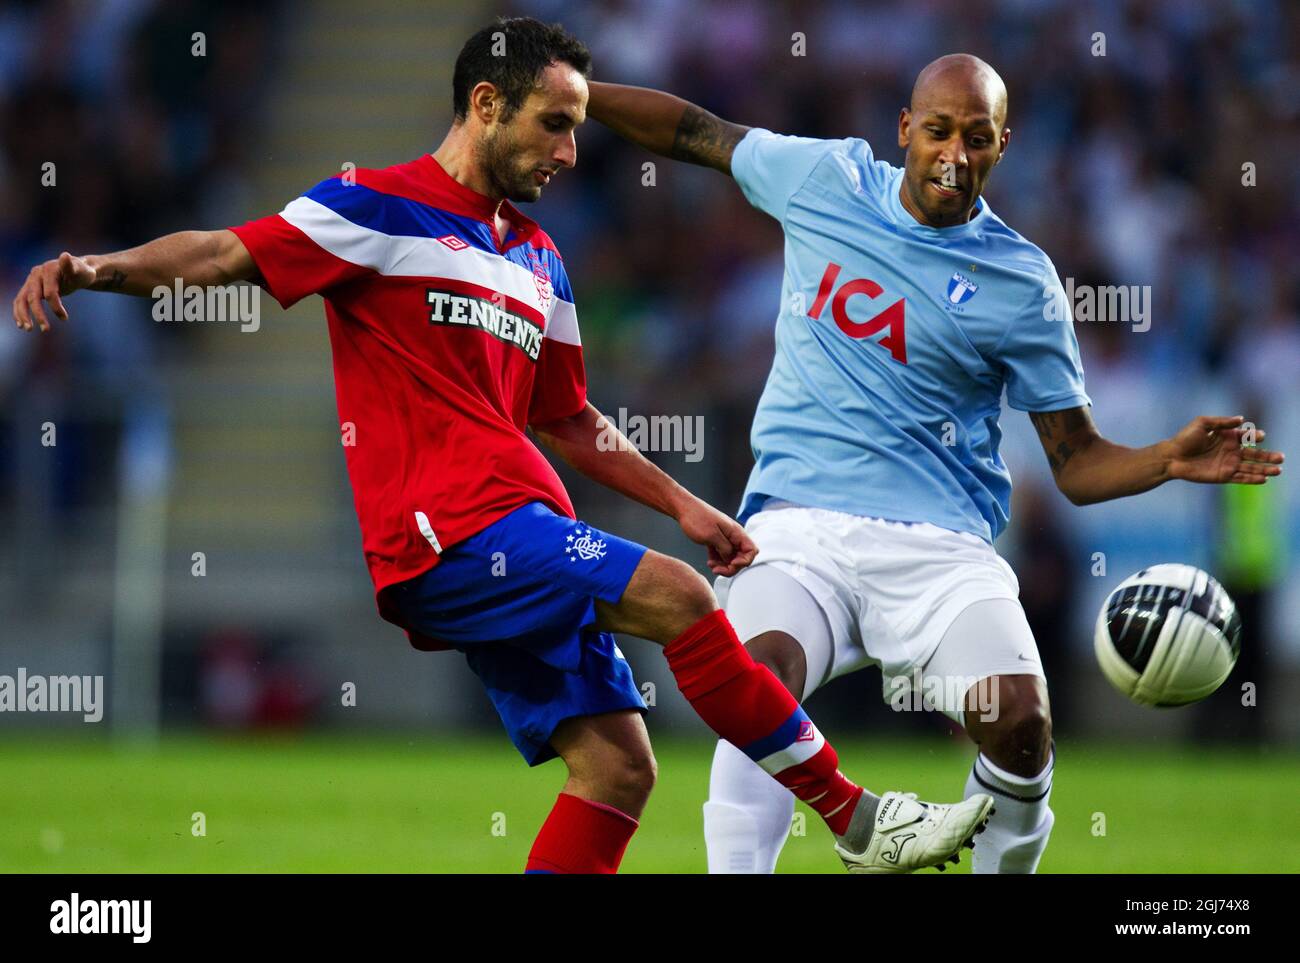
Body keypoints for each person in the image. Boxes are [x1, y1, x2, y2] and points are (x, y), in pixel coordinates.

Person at [11, 19, 994, 874]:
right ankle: (855, 815)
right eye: (554, 123)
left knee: (618, 768)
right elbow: (224, 252)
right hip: (446, 530)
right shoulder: (373, 209)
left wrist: (685, 506)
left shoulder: (536, 259)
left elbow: (570, 418)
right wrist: (98, 266)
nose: (572, 150)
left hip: (524, 526)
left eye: (577, 126)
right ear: (486, 103)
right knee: (685, 601)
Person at [586, 52, 1285, 874]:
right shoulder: (826, 180)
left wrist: (1165, 459)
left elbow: (1076, 461)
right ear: (905, 131)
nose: (956, 152)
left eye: (977, 137)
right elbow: (696, 131)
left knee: (1020, 724)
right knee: (757, 690)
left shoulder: (1023, 283)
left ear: (1003, 145)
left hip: (943, 550)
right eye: (940, 131)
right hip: (797, 528)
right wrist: (578, 93)